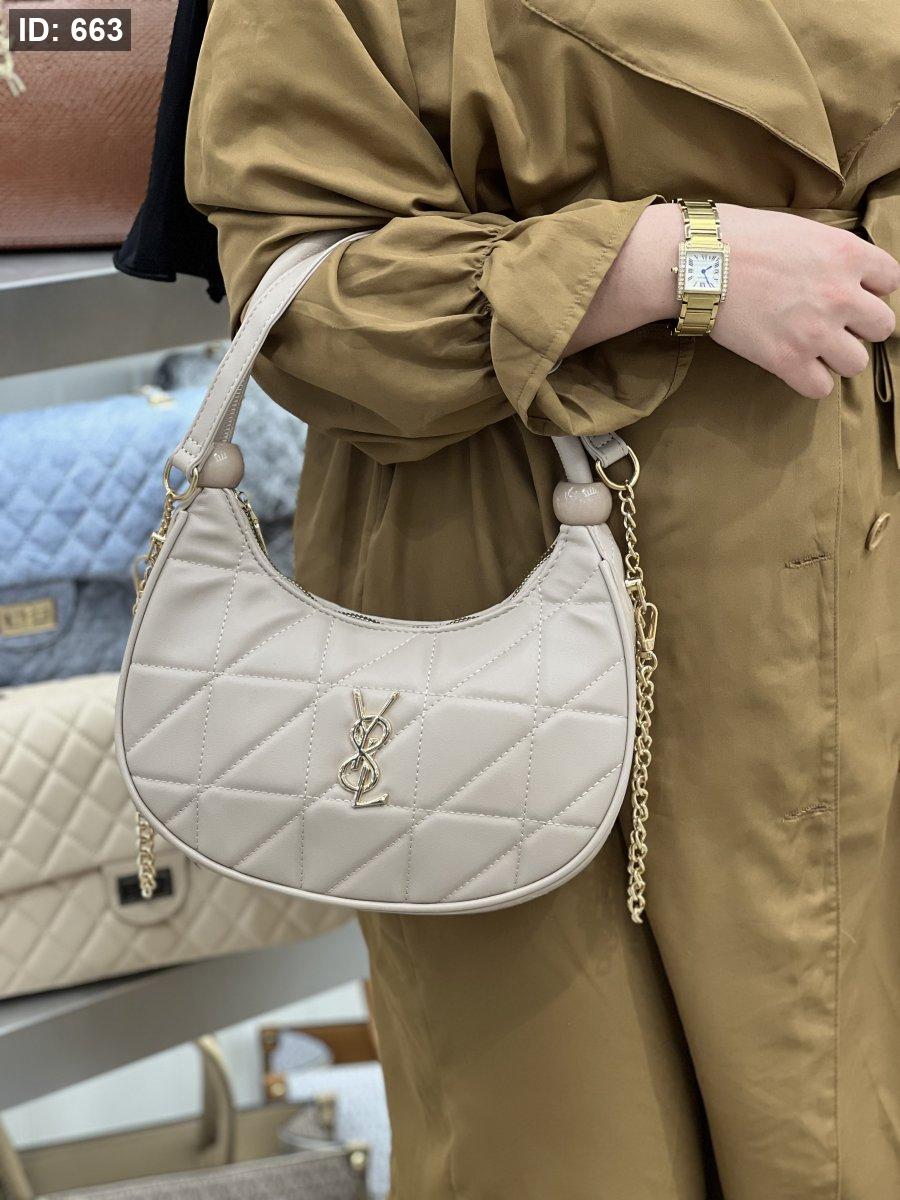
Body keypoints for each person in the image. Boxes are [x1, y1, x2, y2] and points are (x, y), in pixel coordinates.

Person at [183, 2, 900, 1195]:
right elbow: (307, 296)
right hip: (514, 596)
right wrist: (676, 262)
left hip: (860, 570)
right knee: (565, 1136)